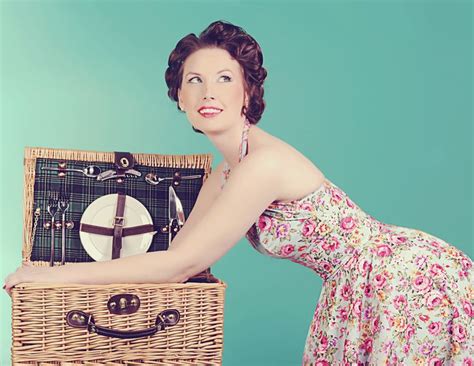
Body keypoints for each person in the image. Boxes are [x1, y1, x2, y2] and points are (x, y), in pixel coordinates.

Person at [4, 19, 473, 364]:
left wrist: (50, 276)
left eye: (225, 79)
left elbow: (179, 267)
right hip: (354, 284)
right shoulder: (225, 173)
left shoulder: (262, 166)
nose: (210, 92)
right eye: (195, 81)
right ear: (181, 99)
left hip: (401, 277)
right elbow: (181, 256)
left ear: (247, 92)